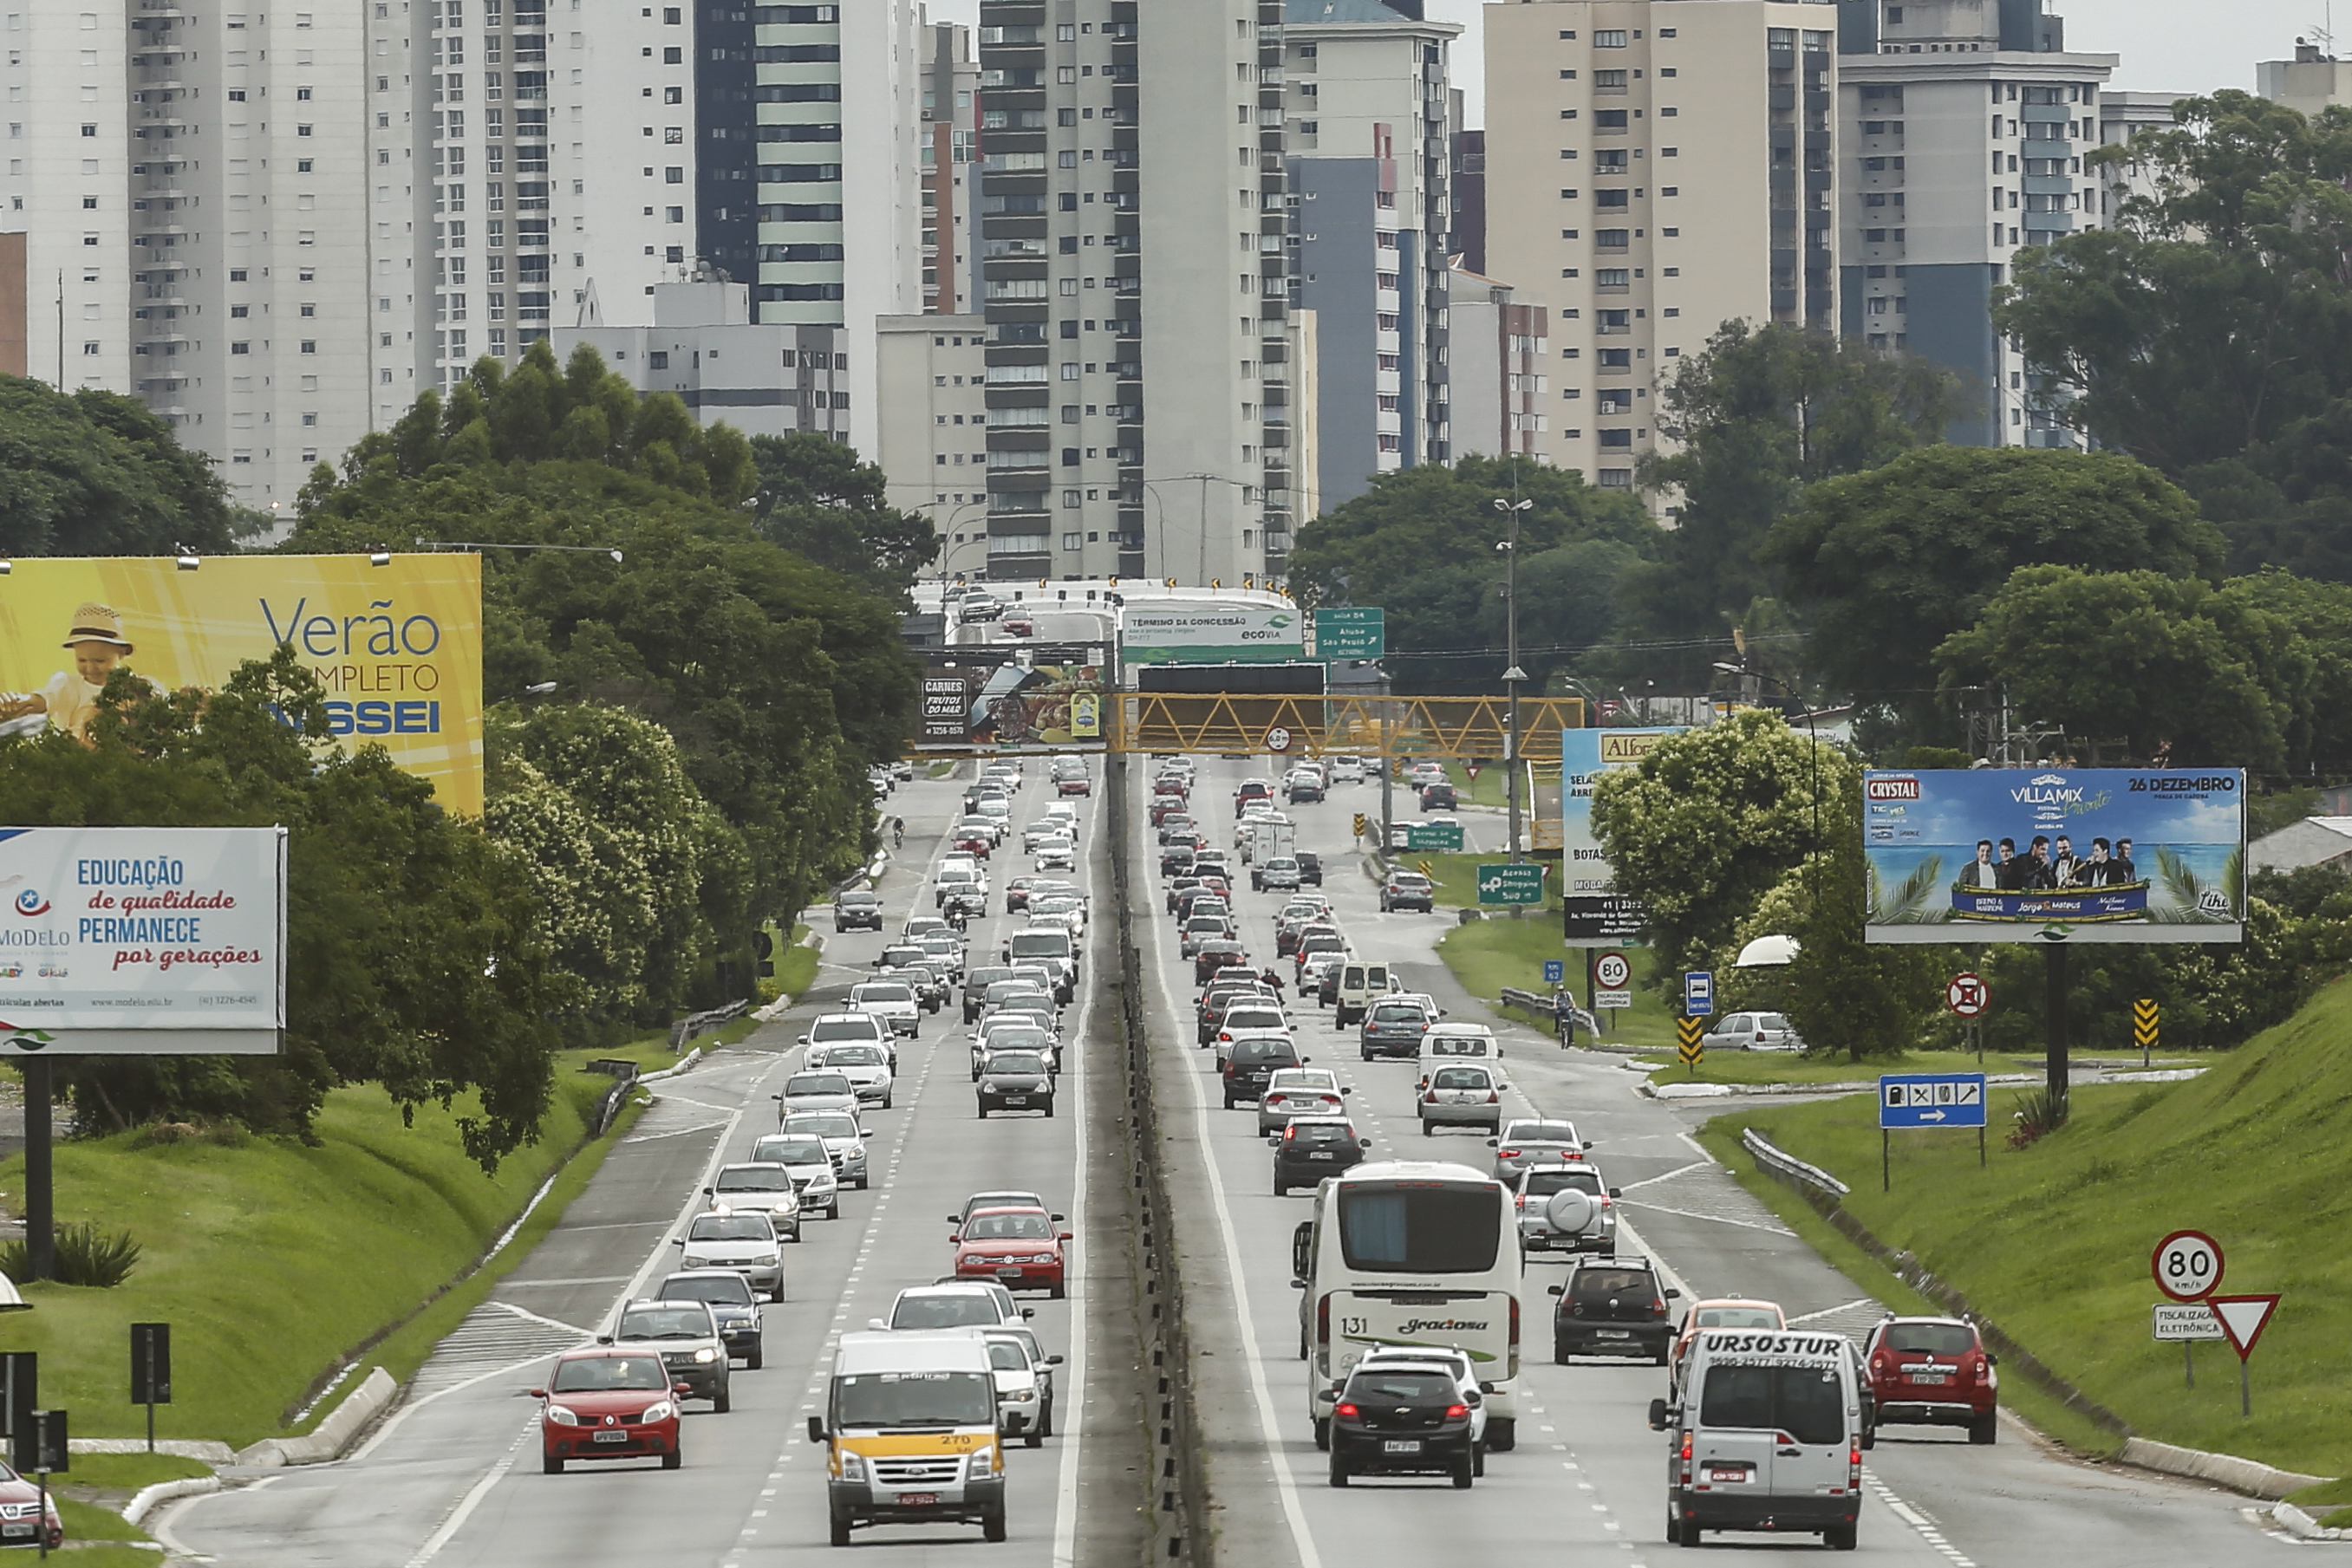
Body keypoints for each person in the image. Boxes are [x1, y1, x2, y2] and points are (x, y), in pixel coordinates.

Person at [0, 602, 169, 744]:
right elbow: (43, 699)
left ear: (122, 652)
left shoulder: (139, 689)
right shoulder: (69, 687)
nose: (90, 668)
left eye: (100, 661)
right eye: (82, 660)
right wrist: (18, 701)